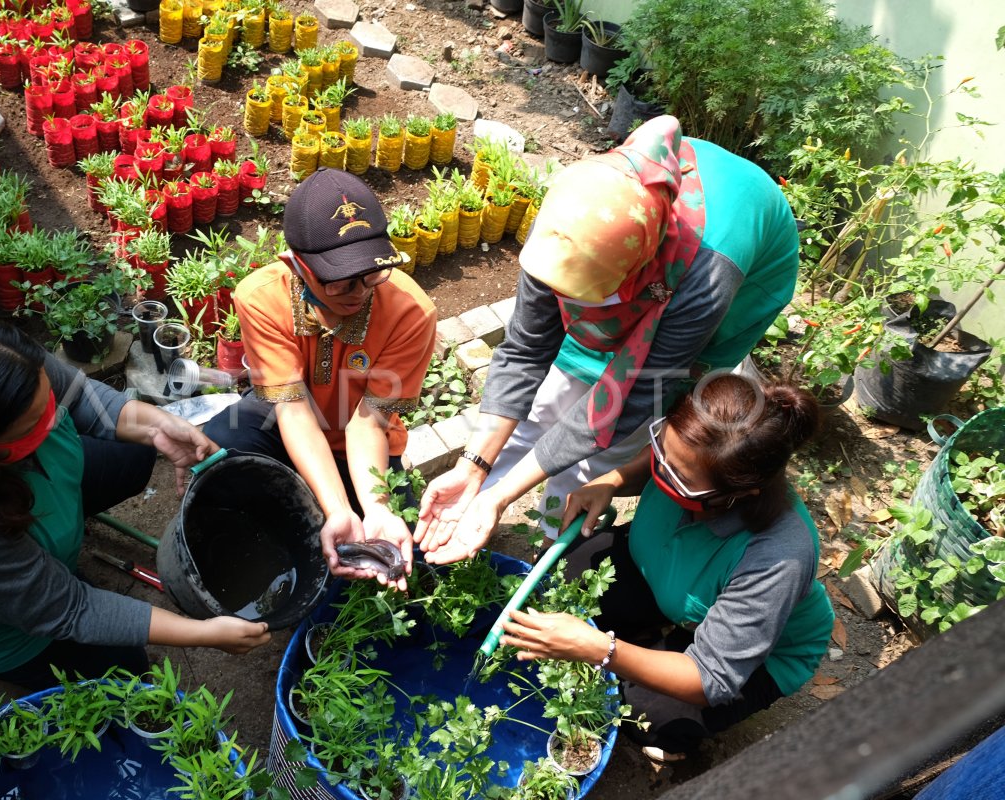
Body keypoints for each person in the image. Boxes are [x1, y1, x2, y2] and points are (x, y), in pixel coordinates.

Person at [416, 115, 801, 562]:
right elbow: (525, 351)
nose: (570, 307)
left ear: (638, 269)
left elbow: (624, 401)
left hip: (738, 281)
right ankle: (473, 502)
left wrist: (503, 498)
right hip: (627, 266)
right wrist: (473, 469)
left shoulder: (709, 279)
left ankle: (550, 540)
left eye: (592, 300)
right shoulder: (574, 216)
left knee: (610, 443)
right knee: (550, 401)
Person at [0, 314, 270, 690]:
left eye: (46, 401)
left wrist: (160, 426)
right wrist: (204, 632)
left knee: (134, 450)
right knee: (124, 667)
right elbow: (73, 607)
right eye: (33, 423)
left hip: (6, 502)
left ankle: (51, 547)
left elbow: (79, 395)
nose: (54, 418)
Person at [499, 376, 834, 759]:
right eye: (662, 449)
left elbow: (711, 678)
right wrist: (612, 480)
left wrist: (601, 649)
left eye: (678, 478)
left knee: (643, 713)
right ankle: (652, 634)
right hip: (666, 575)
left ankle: (676, 737)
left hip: (759, 655)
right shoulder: (689, 462)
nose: (661, 472)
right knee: (566, 571)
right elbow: (669, 457)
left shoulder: (777, 555)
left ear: (737, 494)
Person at [204, 168, 437, 591]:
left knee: (391, 555)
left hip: (365, 441)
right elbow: (292, 410)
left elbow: (369, 423)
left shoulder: (411, 312)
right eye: (339, 279)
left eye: (372, 274)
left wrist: (374, 508)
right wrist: (336, 508)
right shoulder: (261, 297)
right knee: (223, 449)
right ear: (296, 265)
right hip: (287, 420)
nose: (359, 291)